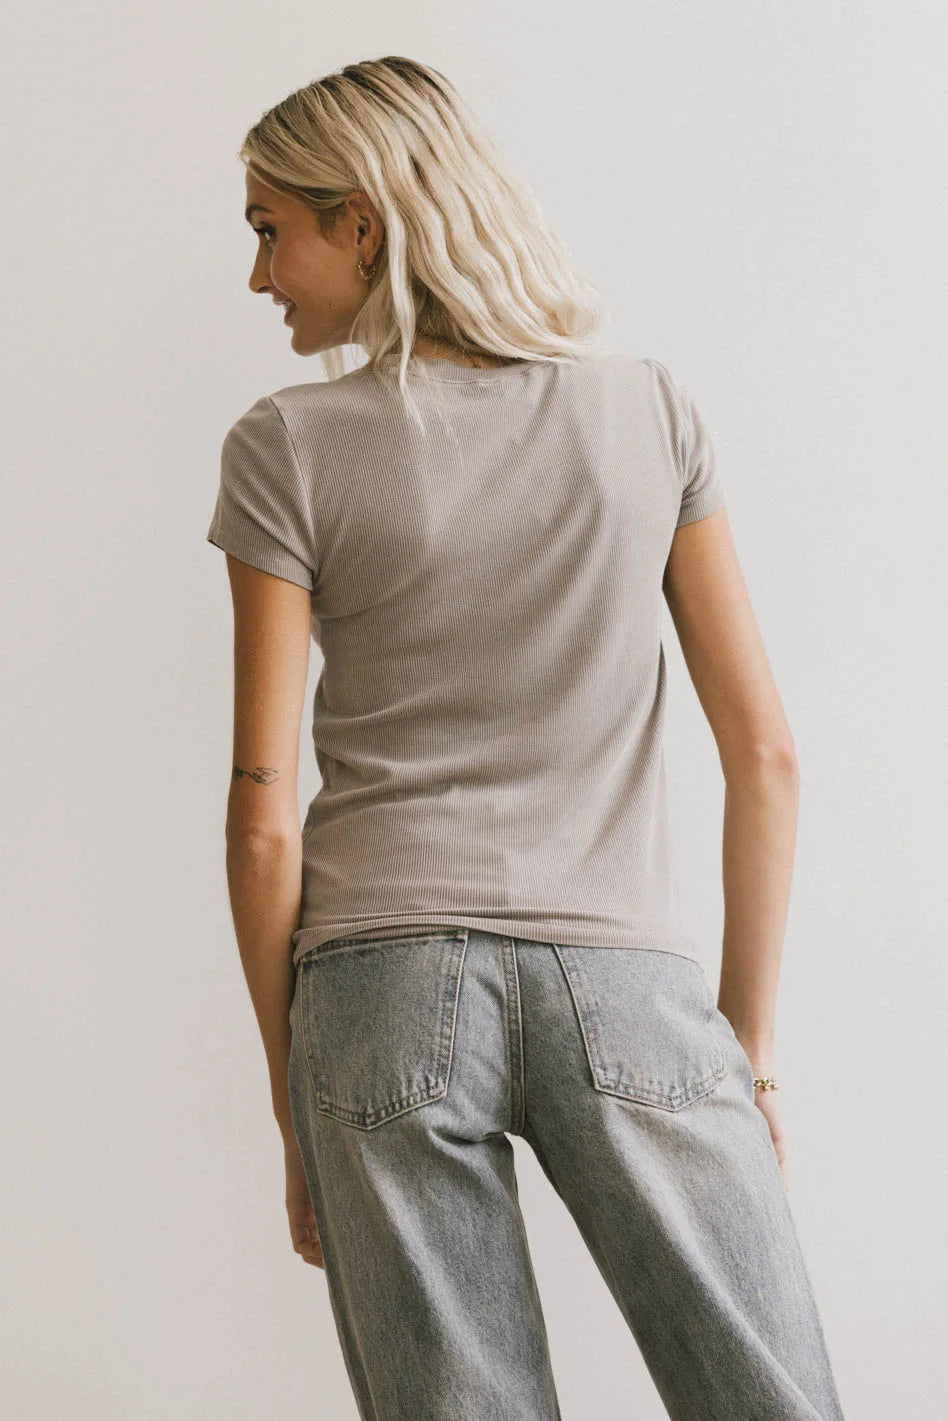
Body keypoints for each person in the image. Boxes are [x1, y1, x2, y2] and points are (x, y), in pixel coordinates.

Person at [206, 54, 846, 1421]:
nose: (259, 274)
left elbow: (261, 819)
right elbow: (767, 753)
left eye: (271, 229)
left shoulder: (286, 446)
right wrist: (746, 1047)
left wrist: (291, 1096)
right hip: (628, 981)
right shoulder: (650, 411)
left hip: (379, 989)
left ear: (361, 224)